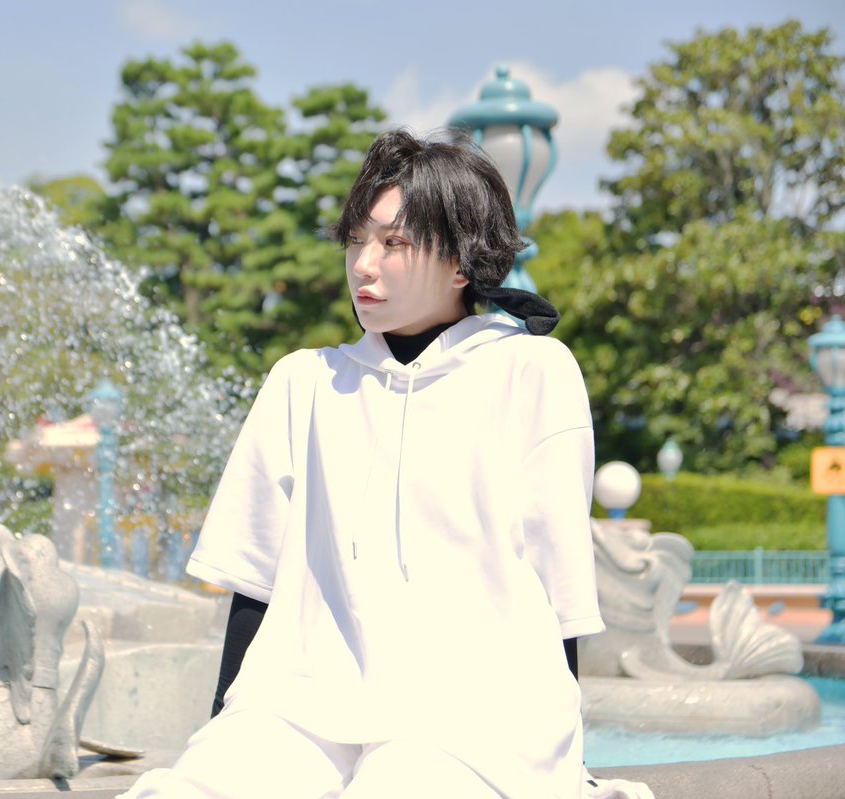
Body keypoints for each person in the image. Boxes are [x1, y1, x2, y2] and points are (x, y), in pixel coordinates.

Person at [123, 128, 606, 798]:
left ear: (462, 262)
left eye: (394, 243)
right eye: (357, 240)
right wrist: (220, 736)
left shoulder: (532, 370)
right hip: (304, 704)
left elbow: (560, 588)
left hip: (477, 710)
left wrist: (561, 760)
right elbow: (255, 585)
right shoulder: (303, 383)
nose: (363, 265)